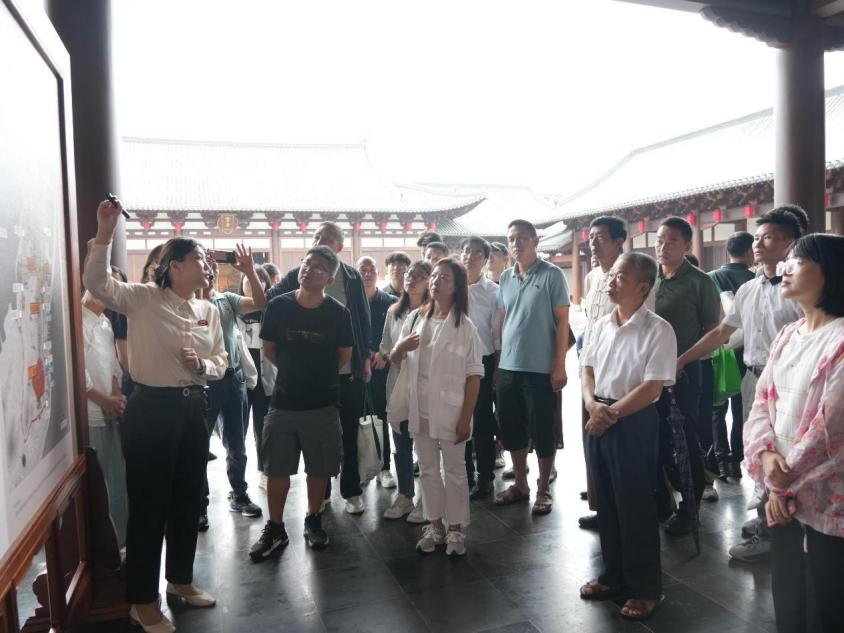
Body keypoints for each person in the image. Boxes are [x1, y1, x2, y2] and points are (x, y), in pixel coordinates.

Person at [84, 198, 226, 632]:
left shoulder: (207, 310)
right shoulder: (143, 298)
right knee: (149, 506)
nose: (206, 264)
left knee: (188, 500)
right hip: (152, 409)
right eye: (198, 258)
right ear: (175, 266)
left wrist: (204, 366)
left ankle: (180, 580)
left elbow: (221, 360)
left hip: (194, 407)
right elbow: (97, 283)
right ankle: (141, 601)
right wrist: (105, 232)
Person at [678, 207, 806, 560]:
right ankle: (769, 518)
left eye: (767, 237)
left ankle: (777, 530)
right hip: (755, 379)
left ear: (789, 242)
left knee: (788, 454)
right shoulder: (749, 289)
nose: (757, 244)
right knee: (760, 448)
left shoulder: (802, 288)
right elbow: (722, 332)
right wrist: (683, 359)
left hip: (794, 382)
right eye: (756, 238)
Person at [743, 233, 844, 633]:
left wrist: (780, 484)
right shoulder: (788, 334)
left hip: (824, 493)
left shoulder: (840, 339)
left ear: (830, 272)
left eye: (797, 261)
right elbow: (761, 403)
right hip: (782, 489)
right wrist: (766, 456)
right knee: (788, 594)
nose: (785, 269)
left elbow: (830, 427)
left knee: (827, 599)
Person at [580, 252, 676, 621]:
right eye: (612, 275)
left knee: (635, 505)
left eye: (620, 276)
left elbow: (652, 387)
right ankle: (613, 576)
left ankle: (646, 589)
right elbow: (587, 370)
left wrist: (610, 414)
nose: (611, 281)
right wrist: (592, 406)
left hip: (633, 420)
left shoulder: (658, 329)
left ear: (643, 287)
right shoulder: (602, 324)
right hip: (598, 415)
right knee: (605, 502)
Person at [250, 246, 353, 559]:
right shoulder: (279, 306)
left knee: (318, 469)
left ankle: (313, 519)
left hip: (322, 404)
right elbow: (269, 349)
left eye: (318, 267)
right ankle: (275, 528)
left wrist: (315, 376)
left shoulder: (338, 313)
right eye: (307, 263)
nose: (309, 269)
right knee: (276, 468)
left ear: (329, 279)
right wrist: (294, 372)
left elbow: (343, 355)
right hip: (283, 401)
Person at [267, 221, 372, 515]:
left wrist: (365, 356)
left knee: (348, 432)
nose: (318, 242)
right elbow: (270, 301)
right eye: (316, 237)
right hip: (305, 377)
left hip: (345, 370)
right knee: (316, 439)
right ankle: (321, 496)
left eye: (325, 239)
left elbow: (362, 319)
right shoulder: (297, 274)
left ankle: (351, 490)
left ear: (339, 247)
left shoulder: (350, 276)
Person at [390, 258, 483, 556]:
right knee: (428, 469)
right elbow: (395, 358)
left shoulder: (465, 326)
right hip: (421, 408)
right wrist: (400, 348)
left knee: (454, 469)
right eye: (435, 277)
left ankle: (455, 529)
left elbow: (474, 376)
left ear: (456, 288)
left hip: (453, 411)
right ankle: (435, 526)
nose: (436, 282)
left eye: (445, 278)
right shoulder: (416, 318)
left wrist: (465, 418)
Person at [495, 219, 570, 515]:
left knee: (543, 429)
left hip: (541, 367)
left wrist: (559, 365)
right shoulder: (505, 278)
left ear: (536, 241)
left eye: (523, 238)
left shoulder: (552, 274)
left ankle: (543, 489)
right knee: (511, 427)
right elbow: (505, 320)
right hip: (509, 365)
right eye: (512, 239)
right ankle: (521, 484)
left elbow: (563, 322)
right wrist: (499, 363)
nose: (516, 243)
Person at [652, 216, 720, 536]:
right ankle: (661, 500)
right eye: (659, 240)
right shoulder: (648, 276)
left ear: (687, 245)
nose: (663, 247)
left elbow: (712, 331)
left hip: (686, 371)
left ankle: (689, 508)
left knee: (685, 439)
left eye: (672, 242)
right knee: (656, 436)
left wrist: (682, 360)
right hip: (650, 372)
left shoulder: (700, 281)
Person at [199, 247, 267, 530]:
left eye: (213, 266)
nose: (210, 269)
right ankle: (199, 504)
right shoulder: (184, 304)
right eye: (204, 264)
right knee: (198, 444)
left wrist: (249, 271)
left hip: (233, 377)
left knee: (237, 441)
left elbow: (261, 302)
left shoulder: (226, 299)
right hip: (202, 381)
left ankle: (239, 493)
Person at [578, 216, 630, 530]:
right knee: (591, 439)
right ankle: (601, 505)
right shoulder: (592, 276)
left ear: (619, 241)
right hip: (590, 370)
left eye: (600, 237)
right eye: (591, 237)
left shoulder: (631, 275)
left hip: (618, 375)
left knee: (618, 445)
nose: (593, 243)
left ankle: (622, 508)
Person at [380, 260, 432, 523]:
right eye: (409, 274)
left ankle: (427, 500)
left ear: (429, 281)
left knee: (425, 447)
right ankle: (405, 496)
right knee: (401, 445)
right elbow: (385, 347)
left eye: (419, 275)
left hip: (424, 387)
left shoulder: (434, 312)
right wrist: (397, 354)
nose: (411, 278)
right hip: (398, 383)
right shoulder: (394, 311)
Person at [706, 231, 755, 481]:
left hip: (720, 348)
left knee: (717, 407)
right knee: (740, 407)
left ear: (728, 251)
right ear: (749, 251)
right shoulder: (755, 280)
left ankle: (721, 460)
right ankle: (737, 460)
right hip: (747, 350)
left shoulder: (712, 277)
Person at [82, 287, 128, 547]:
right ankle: (104, 552)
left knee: (115, 481)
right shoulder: (77, 321)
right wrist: (105, 400)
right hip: (91, 415)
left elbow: (112, 366)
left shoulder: (105, 322)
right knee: (100, 488)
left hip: (109, 412)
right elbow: (79, 374)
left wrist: (116, 396)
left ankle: (118, 547)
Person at [459, 236, 501, 500]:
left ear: (486, 260)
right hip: (455, 361)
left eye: (476, 253)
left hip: (483, 361)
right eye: (466, 251)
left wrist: (496, 367)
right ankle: (463, 474)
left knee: (483, 420)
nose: (470, 256)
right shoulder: (452, 286)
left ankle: (485, 477)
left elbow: (496, 334)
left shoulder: (493, 292)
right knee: (457, 417)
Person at [357, 255, 398, 489]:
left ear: (378, 273)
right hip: (357, 368)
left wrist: (385, 354)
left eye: (371, 269)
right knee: (357, 418)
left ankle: (385, 468)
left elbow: (398, 334)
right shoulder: (350, 303)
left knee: (382, 417)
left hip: (383, 368)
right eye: (362, 269)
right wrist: (365, 353)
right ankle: (360, 468)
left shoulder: (390, 302)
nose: (367, 273)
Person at [237, 265, 276, 490]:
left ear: (266, 284)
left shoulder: (271, 309)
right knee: (237, 429)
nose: (253, 283)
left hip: (265, 377)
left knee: (263, 427)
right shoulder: (235, 307)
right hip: (241, 376)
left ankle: (264, 469)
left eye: (260, 279)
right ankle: (237, 479)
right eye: (248, 278)